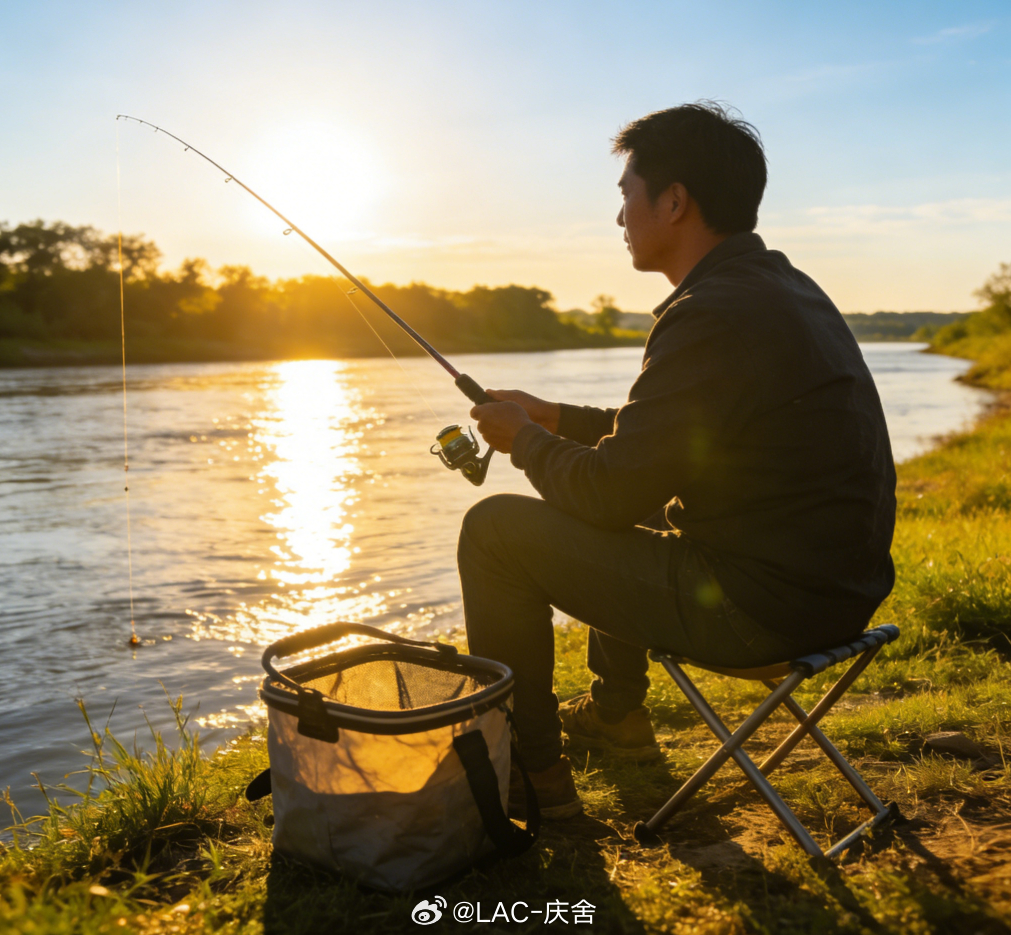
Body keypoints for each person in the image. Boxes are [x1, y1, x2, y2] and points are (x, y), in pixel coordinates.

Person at [458, 102, 896, 820]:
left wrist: (524, 441)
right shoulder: (777, 288)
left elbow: (606, 493)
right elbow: (665, 447)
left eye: (626, 194)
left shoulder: (709, 313)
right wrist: (553, 418)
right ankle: (617, 716)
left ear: (673, 201)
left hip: (764, 612)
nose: (620, 216)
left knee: (494, 532)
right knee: (639, 490)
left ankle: (530, 773)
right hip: (838, 593)